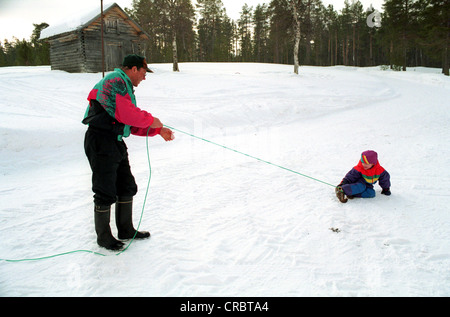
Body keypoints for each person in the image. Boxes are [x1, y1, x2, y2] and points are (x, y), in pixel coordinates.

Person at [83, 54, 174, 250]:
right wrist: (151, 120)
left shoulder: (124, 85)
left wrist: (158, 130)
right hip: (100, 140)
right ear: (133, 69)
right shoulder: (115, 81)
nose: (144, 77)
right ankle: (104, 237)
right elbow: (128, 114)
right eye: (143, 72)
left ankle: (125, 229)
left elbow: (128, 123)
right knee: (105, 189)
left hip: (114, 141)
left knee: (126, 185)